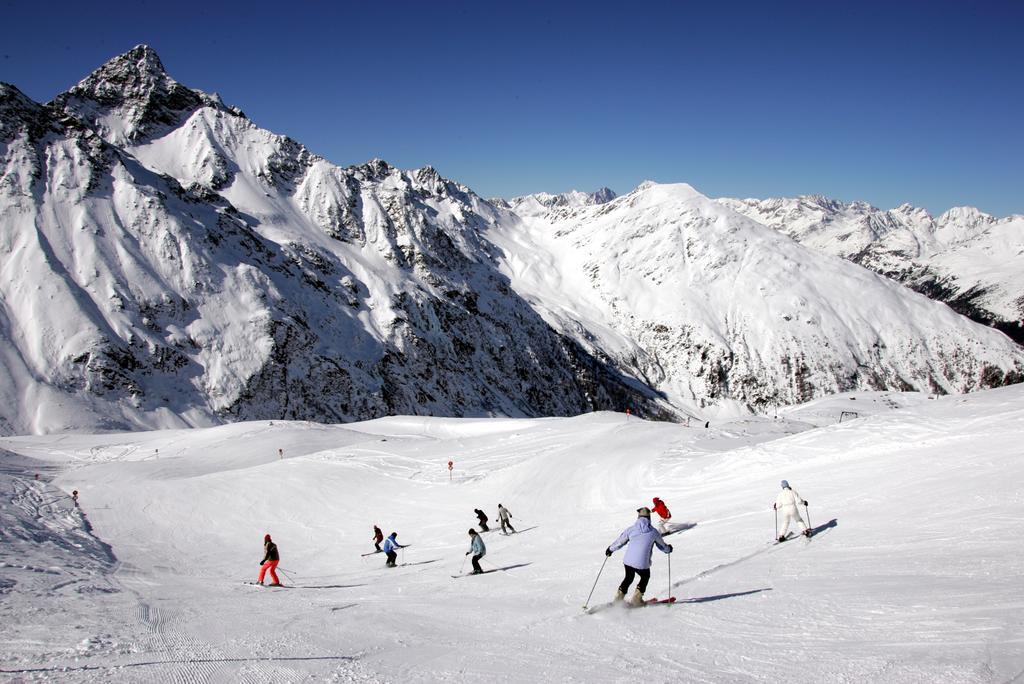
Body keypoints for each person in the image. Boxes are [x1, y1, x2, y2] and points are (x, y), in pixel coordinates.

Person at [606, 507, 672, 605]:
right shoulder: (653, 532)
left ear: (638, 517)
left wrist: (610, 549)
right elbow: (662, 545)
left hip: (628, 561)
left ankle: (618, 600)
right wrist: (668, 549)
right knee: (645, 576)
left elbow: (620, 541)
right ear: (649, 518)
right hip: (642, 563)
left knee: (628, 578)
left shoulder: (631, 529)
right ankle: (637, 599)